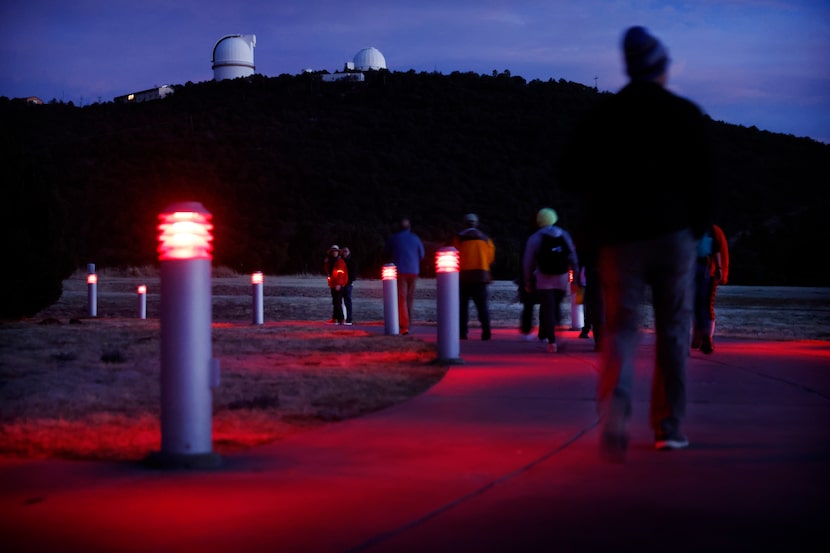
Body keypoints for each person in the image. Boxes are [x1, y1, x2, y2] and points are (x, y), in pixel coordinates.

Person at [559, 26, 715, 461]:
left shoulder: (606, 116)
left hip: (619, 238)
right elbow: (706, 180)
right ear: (662, 67)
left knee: (622, 329)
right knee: (671, 331)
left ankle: (616, 411)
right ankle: (669, 427)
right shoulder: (684, 113)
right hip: (673, 236)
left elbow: (568, 173)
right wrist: (694, 227)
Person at [522, 208, 578, 353]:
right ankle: (559, 335)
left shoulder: (535, 238)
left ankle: (552, 342)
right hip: (562, 277)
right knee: (557, 307)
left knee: (548, 308)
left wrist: (527, 280)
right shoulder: (564, 234)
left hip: (543, 277)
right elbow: (572, 256)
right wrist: (575, 275)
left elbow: (528, 261)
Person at [451, 213, 496, 340]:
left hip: (463, 277)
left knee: (462, 307)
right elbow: (490, 258)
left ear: (464, 224)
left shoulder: (458, 238)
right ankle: (486, 332)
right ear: (476, 223)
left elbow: (454, 255)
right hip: (480, 277)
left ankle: (462, 333)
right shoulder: (486, 239)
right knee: (482, 306)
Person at [383, 217, 425, 335]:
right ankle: (409, 323)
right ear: (409, 227)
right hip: (413, 271)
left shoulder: (393, 238)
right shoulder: (415, 238)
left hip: (400, 270)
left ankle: (404, 324)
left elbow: (386, 252)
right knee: (409, 298)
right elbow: (422, 254)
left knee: (401, 298)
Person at [692, 224, 729, 353]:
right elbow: (717, 250)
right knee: (703, 305)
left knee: (703, 305)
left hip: (707, 271)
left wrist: (719, 269)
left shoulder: (711, 230)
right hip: (708, 270)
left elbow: (716, 250)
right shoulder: (712, 230)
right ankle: (702, 338)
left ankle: (703, 337)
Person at [323, 245, 349, 325]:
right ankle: (335, 319)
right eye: (333, 251)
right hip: (333, 284)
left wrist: (338, 284)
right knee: (335, 302)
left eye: (335, 251)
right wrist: (326, 263)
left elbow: (341, 274)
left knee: (337, 302)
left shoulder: (340, 262)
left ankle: (341, 319)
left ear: (338, 252)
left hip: (338, 285)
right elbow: (327, 271)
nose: (334, 253)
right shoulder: (331, 261)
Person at [340, 246, 357, 326]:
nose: (344, 253)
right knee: (340, 302)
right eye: (343, 251)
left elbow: (353, 275)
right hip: (341, 284)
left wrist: (348, 282)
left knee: (347, 301)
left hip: (348, 284)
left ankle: (349, 319)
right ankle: (341, 318)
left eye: (346, 251)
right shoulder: (340, 261)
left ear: (349, 252)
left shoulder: (351, 262)